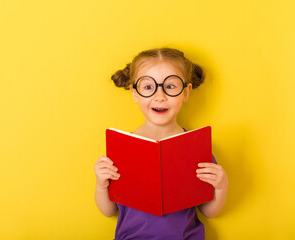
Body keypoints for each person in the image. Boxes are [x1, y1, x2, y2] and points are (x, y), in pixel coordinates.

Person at [94, 47, 228, 240]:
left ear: (186, 91)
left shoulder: (197, 148)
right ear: (134, 93)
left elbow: (208, 211)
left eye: (170, 86)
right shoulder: (122, 148)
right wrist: (101, 184)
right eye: (148, 87)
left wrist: (221, 187)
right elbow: (108, 211)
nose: (160, 96)